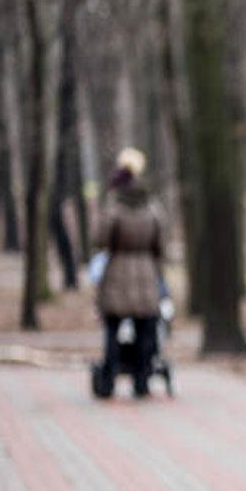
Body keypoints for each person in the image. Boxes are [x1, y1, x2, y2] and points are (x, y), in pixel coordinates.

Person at [92, 148, 165, 398]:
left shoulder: (114, 205)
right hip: (145, 272)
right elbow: (160, 241)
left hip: (117, 272)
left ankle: (109, 379)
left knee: (112, 329)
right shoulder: (151, 205)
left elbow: (100, 238)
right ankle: (142, 380)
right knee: (145, 329)